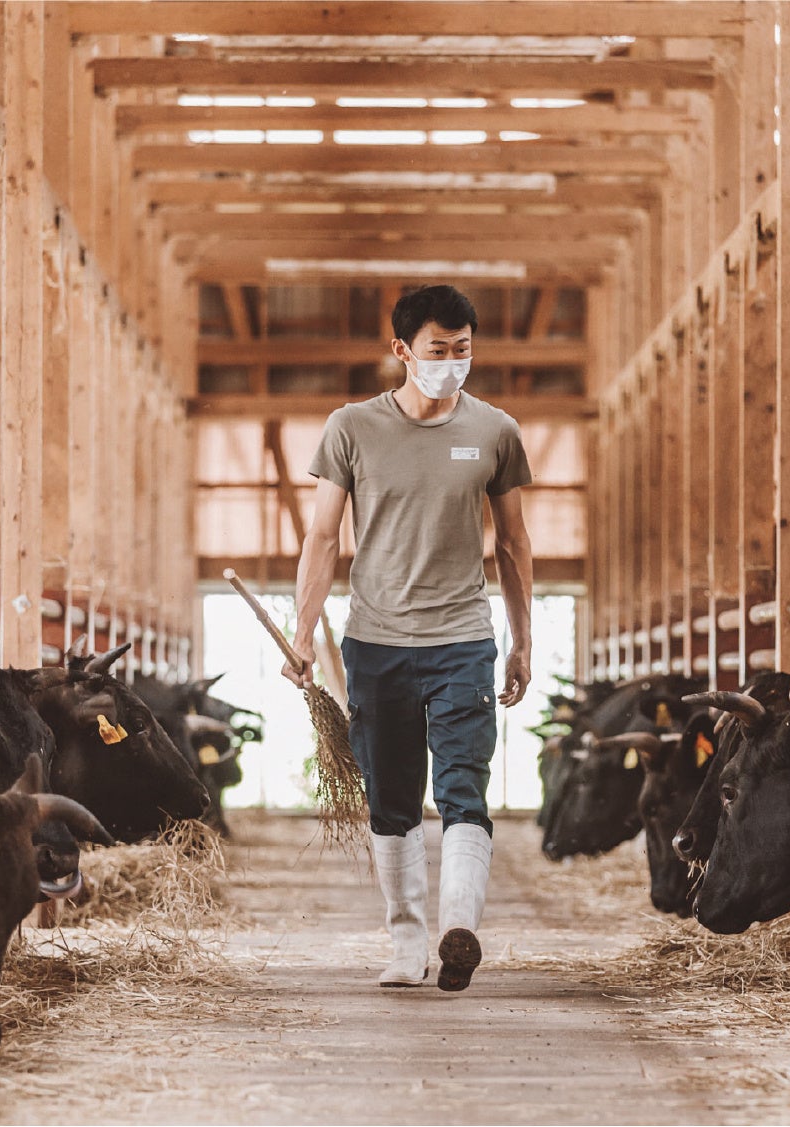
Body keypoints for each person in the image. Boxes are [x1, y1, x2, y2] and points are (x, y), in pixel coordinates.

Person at [283, 285, 534, 992]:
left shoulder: (495, 431)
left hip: (463, 641)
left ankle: (458, 928)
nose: (452, 362)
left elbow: (513, 543)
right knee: (391, 800)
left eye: (463, 349)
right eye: (438, 350)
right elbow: (322, 536)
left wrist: (521, 640)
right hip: (377, 644)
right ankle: (405, 942)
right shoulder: (351, 428)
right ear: (401, 350)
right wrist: (302, 633)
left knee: (463, 788)